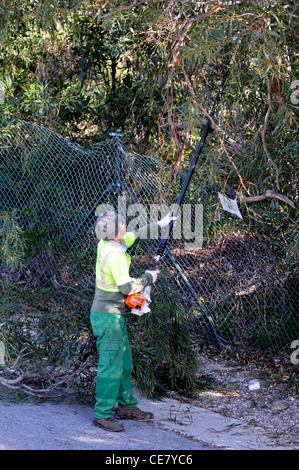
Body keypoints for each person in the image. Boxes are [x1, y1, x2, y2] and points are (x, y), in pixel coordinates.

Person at [90, 210, 176, 432]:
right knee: (110, 365)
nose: (125, 225)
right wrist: (149, 278)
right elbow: (127, 288)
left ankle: (127, 406)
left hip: (113, 315)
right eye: (122, 224)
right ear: (116, 232)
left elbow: (135, 235)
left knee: (124, 361)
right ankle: (102, 415)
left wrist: (160, 224)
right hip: (108, 317)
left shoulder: (108, 243)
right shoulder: (115, 255)